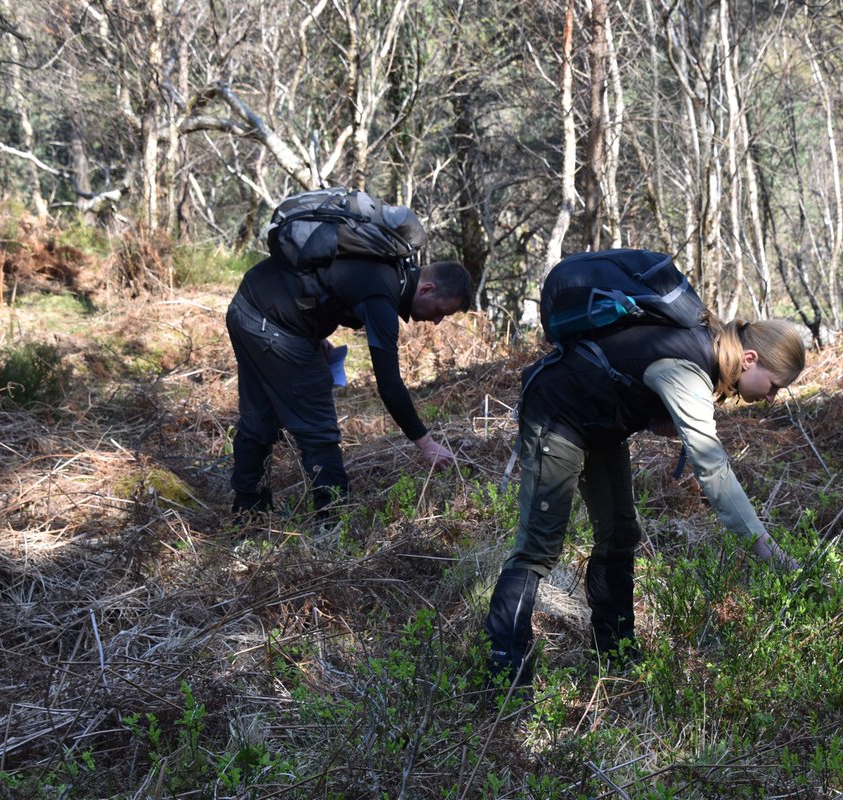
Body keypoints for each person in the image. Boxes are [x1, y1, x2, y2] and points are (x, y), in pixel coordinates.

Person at [483, 311, 806, 691]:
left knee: (620, 534)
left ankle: (616, 657)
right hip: (558, 413)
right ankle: (505, 676)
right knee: (538, 549)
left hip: (599, 425)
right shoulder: (690, 366)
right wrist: (768, 551)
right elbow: (713, 471)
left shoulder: (703, 351)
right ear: (750, 359)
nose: (770, 398)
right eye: (774, 386)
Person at [225, 253, 472, 516]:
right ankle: (331, 523)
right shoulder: (382, 297)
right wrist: (425, 443)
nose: (436, 321)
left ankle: (249, 513)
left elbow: (325, 285)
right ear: (427, 288)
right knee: (318, 426)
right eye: (440, 311)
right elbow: (389, 384)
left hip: (247, 306)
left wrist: (311, 331)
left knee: (259, 416)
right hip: (271, 324)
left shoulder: (387, 269)